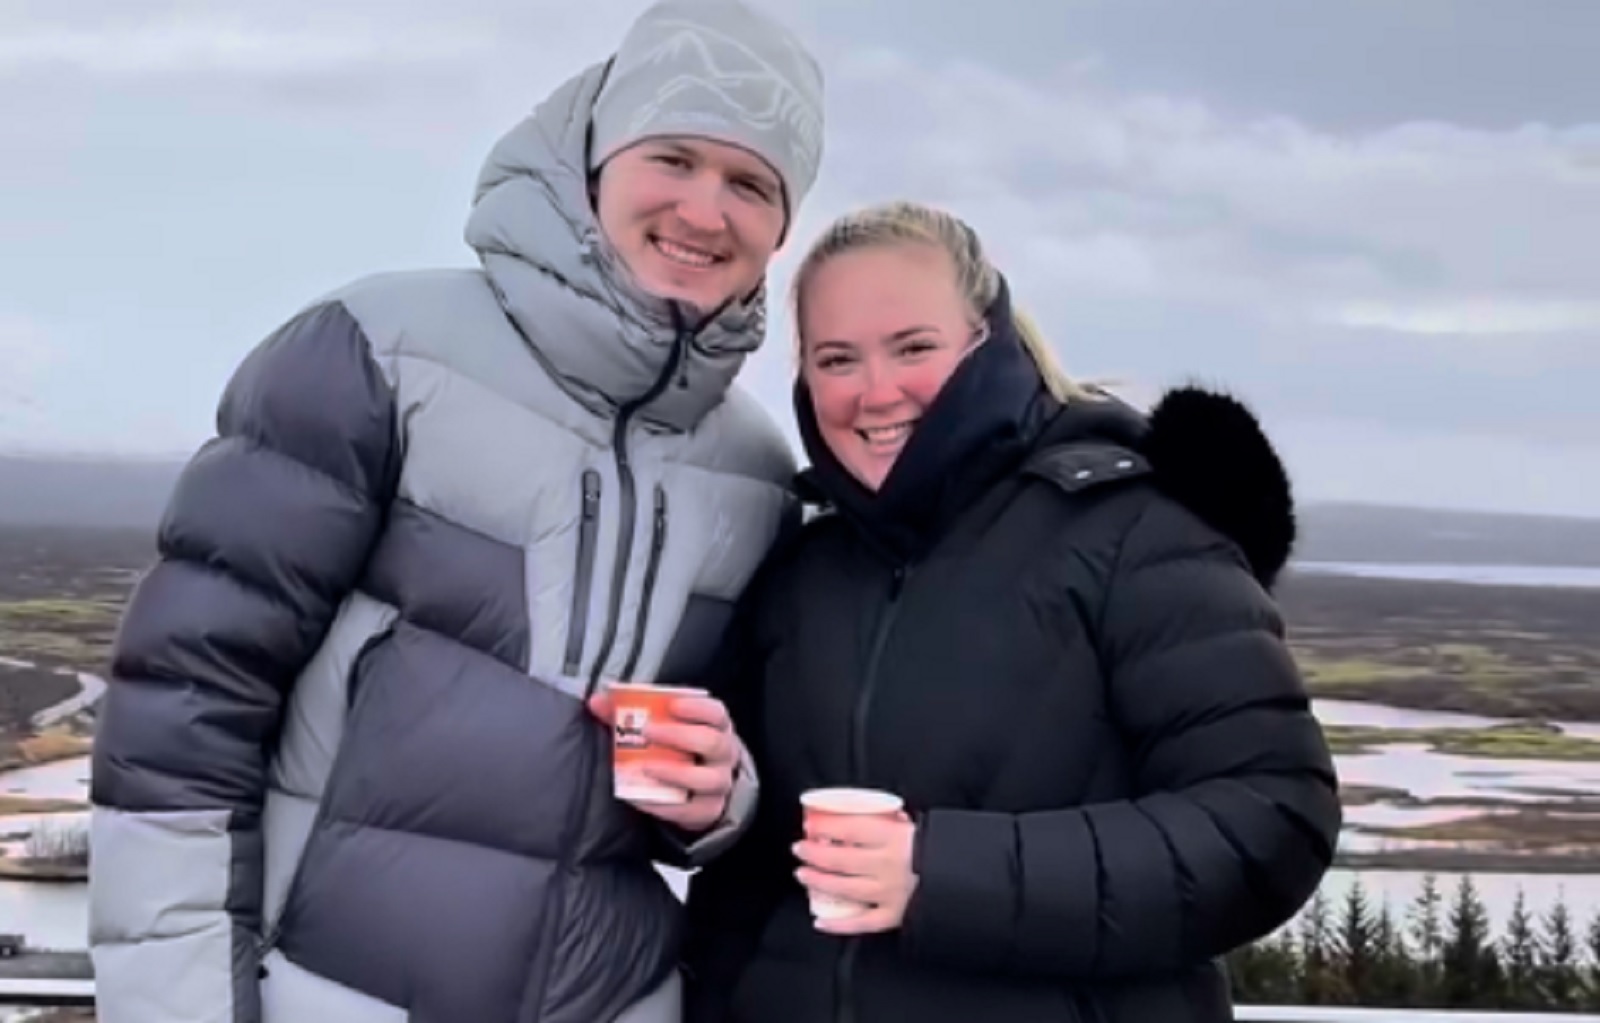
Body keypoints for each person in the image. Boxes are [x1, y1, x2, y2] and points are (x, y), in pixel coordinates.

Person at [85, 2, 824, 1021]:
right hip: (332, 995)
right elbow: (182, 715)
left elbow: (739, 763)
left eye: (750, 183)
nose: (705, 210)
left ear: (781, 229)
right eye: (674, 157)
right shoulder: (381, 353)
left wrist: (719, 796)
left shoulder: (759, 473)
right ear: (593, 158)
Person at [681, 200, 1342, 1023]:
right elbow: (751, 881)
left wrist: (943, 873)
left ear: (987, 341)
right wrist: (711, 797)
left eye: (913, 347)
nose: (875, 392)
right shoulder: (804, 566)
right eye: (837, 358)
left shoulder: (1134, 535)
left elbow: (1270, 819)